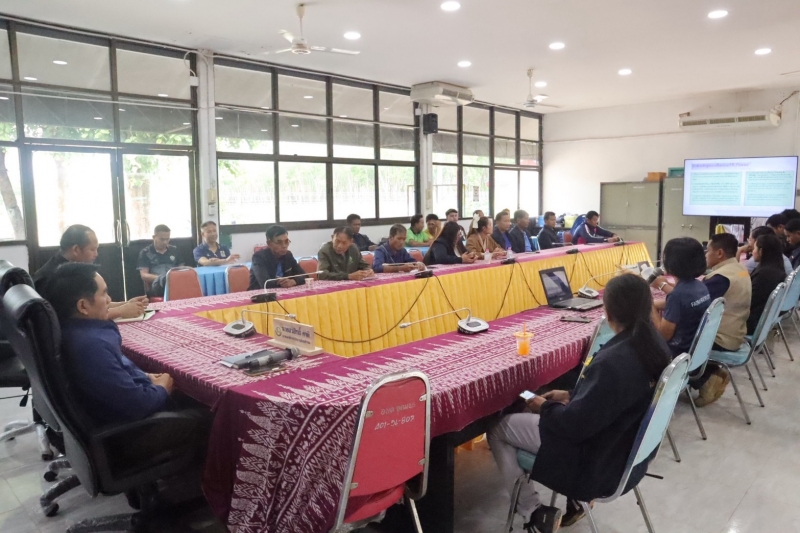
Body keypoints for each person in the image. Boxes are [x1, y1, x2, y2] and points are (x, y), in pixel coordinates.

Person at [488, 274, 672, 533]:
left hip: (598, 461)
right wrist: (570, 395)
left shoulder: (613, 361)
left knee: (499, 428)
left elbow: (573, 426)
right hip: (630, 455)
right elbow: (613, 397)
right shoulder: (654, 345)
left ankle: (534, 512)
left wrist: (543, 406)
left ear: (608, 313)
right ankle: (569, 503)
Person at [48, 263, 173, 425]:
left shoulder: (75, 330)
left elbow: (117, 372)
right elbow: (137, 405)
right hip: (133, 428)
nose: (109, 300)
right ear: (83, 306)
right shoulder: (92, 347)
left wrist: (145, 376)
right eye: (104, 293)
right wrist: (162, 388)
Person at [33, 224, 147, 320]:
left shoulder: (71, 268)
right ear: (76, 249)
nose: (96, 254)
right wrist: (121, 311)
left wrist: (126, 304)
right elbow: (72, 317)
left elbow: (91, 304)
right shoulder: (56, 276)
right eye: (92, 249)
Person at [691, 234, 752, 406]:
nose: (706, 255)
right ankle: (712, 372)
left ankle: (705, 380)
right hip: (737, 332)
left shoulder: (720, 278)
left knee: (676, 338)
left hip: (722, 338)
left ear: (719, 253)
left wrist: (662, 286)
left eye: (708, 251)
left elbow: (692, 303)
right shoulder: (740, 269)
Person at [650, 237, 711, 357]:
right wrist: (654, 304)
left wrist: (648, 303)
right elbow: (682, 306)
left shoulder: (677, 295)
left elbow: (663, 336)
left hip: (676, 354)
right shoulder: (700, 286)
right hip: (695, 350)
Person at [748, 233, 787, 335]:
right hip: (763, 321)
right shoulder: (776, 268)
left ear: (761, 251)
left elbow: (749, 301)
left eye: (754, 248)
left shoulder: (764, 274)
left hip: (751, 323)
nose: (752, 251)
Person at [249, 225, 307, 290]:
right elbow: (265, 283)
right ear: (269, 243)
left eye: (286, 242)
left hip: (284, 292)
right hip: (261, 294)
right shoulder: (259, 257)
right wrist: (284, 283)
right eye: (279, 242)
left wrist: (294, 281)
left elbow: (305, 276)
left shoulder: (288, 255)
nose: (284, 246)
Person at [138, 224, 184, 298]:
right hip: (157, 284)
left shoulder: (174, 250)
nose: (165, 242)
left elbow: (181, 269)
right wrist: (163, 279)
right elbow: (144, 275)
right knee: (166, 282)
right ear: (154, 237)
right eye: (162, 239)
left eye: (167, 239)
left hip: (174, 281)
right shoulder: (145, 253)